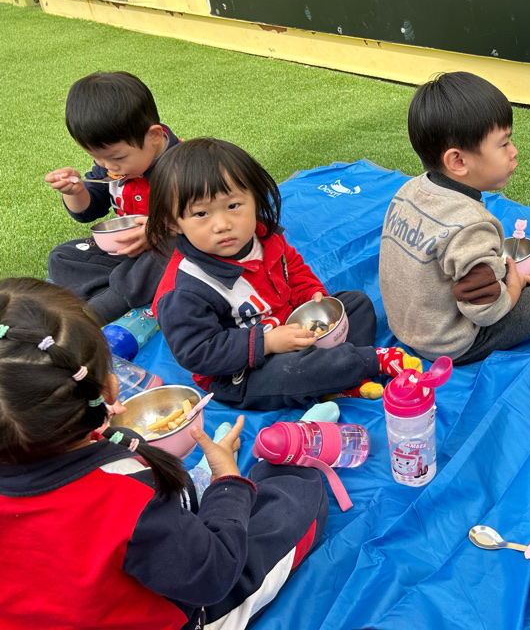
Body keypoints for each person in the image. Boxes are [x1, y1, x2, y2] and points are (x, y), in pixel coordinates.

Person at [0, 277, 330, 630]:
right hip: (184, 607)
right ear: (109, 387)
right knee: (298, 493)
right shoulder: (124, 497)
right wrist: (227, 484)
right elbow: (214, 575)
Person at [147, 138, 410, 410]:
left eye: (233, 206)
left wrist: (311, 295)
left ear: (255, 198)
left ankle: (339, 379)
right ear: (173, 222)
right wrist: (267, 343)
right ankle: (362, 363)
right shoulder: (183, 289)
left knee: (355, 304)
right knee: (291, 371)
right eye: (201, 213)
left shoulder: (263, 237)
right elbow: (200, 352)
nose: (222, 224)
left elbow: (292, 268)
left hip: (289, 328)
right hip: (241, 372)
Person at [378, 71, 530, 364]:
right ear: (458, 161)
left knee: (517, 272)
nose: (514, 151)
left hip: (406, 324)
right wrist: (514, 288)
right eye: (504, 143)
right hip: (451, 342)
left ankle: (528, 275)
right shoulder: (471, 225)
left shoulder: (408, 189)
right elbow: (486, 312)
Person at [45, 71, 180, 323]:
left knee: (168, 254)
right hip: (128, 253)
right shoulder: (111, 166)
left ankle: (103, 306)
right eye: (96, 157)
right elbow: (89, 211)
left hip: (166, 251)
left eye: (117, 158)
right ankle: (125, 291)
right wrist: (76, 192)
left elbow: (205, 221)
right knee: (61, 257)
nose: (107, 166)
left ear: (153, 136)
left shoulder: (185, 167)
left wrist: (158, 231)